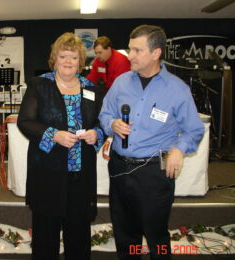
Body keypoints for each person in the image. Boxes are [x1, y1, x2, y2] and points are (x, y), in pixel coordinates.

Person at [98, 25, 205, 259]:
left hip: (154, 173)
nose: (130, 55)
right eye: (129, 49)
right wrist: (112, 123)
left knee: (156, 235)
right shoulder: (121, 83)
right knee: (125, 235)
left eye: (137, 50)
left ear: (156, 53)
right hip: (119, 168)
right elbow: (104, 114)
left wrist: (179, 148)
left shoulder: (177, 90)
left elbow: (194, 130)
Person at [17, 32, 105, 260]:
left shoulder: (92, 88)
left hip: (80, 176)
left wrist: (98, 133)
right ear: (54, 59)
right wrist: (54, 135)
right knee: (46, 239)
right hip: (48, 174)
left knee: (79, 237)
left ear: (81, 62)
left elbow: (100, 122)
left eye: (74, 57)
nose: (68, 61)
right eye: (63, 56)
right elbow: (25, 122)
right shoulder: (39, 85)